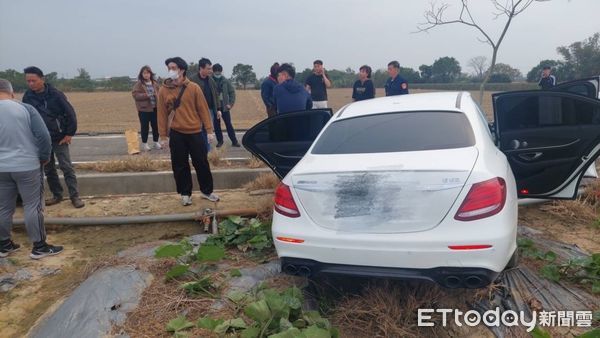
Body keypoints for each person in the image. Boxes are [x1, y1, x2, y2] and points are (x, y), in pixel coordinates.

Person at [0, 78, 64, 259]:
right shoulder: (24, 109)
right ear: (11, 92)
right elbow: (43, 136)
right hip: (27, 165)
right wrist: (44, 157)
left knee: (3, 207)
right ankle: (39, 246)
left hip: (1, 169)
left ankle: (4, 245)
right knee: (33, 206)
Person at [157, 57, 219, 206]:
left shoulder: (193, 88)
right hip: (177, 133)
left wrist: (209, 130)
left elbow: (203, 109)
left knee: (201, 162)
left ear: (182, 70)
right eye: (169, 68)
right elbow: (161, 114)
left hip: (195, 132)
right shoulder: (163, 90)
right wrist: (163, 136)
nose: (170, 71)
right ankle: (185, 193)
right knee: (179, 165)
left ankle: (207, 191)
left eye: (173, 68)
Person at [22, 66, 85, 208]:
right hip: (41, 139)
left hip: (59, 137)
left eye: (33, 80)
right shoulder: (27, 97)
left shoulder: (56, 94)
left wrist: (69, 133)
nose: (31, 84)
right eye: (28, 81)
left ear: (42, 79)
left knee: (66, 167)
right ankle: (57, 195)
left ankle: (75, 196)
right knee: (48, 169)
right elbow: (25, 117)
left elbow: (70, 113)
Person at [189, 57, 220, 148]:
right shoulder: (192, 80)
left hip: (209, 110)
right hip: (196, 111)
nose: (210, 70)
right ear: (201, 68)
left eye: (210, 68)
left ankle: (207, 152)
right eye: (208, 68)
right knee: (197, 131)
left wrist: (218, 109)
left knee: (208, 131)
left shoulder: (211, 80)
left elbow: (216, 95)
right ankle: (198, 149)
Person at [132, 65, 161, 151]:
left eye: (148, 73)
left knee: (156, 126)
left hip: (155, 108)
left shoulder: (155, 83)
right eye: (144, 73)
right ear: (141, 74)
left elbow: (160, 94)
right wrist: (147, 95)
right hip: (144, 109)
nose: (146, 75)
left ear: (151, 74)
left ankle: (156, 142)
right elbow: (135, 95)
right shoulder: (139, 84)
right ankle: (145, 144)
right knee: (145, 127)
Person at [212, 64, 240, 147]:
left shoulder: (225, 81)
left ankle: (234, 141)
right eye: (216, 72)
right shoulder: (210, 81)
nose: (217, 74)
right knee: (216, 125)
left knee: (228, 124)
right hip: (215, 107)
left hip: (225, 107)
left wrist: (230, 104)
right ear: (213, 72)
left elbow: (232, 93)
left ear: (221, 71)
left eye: (219, 72)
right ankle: (220, 141)